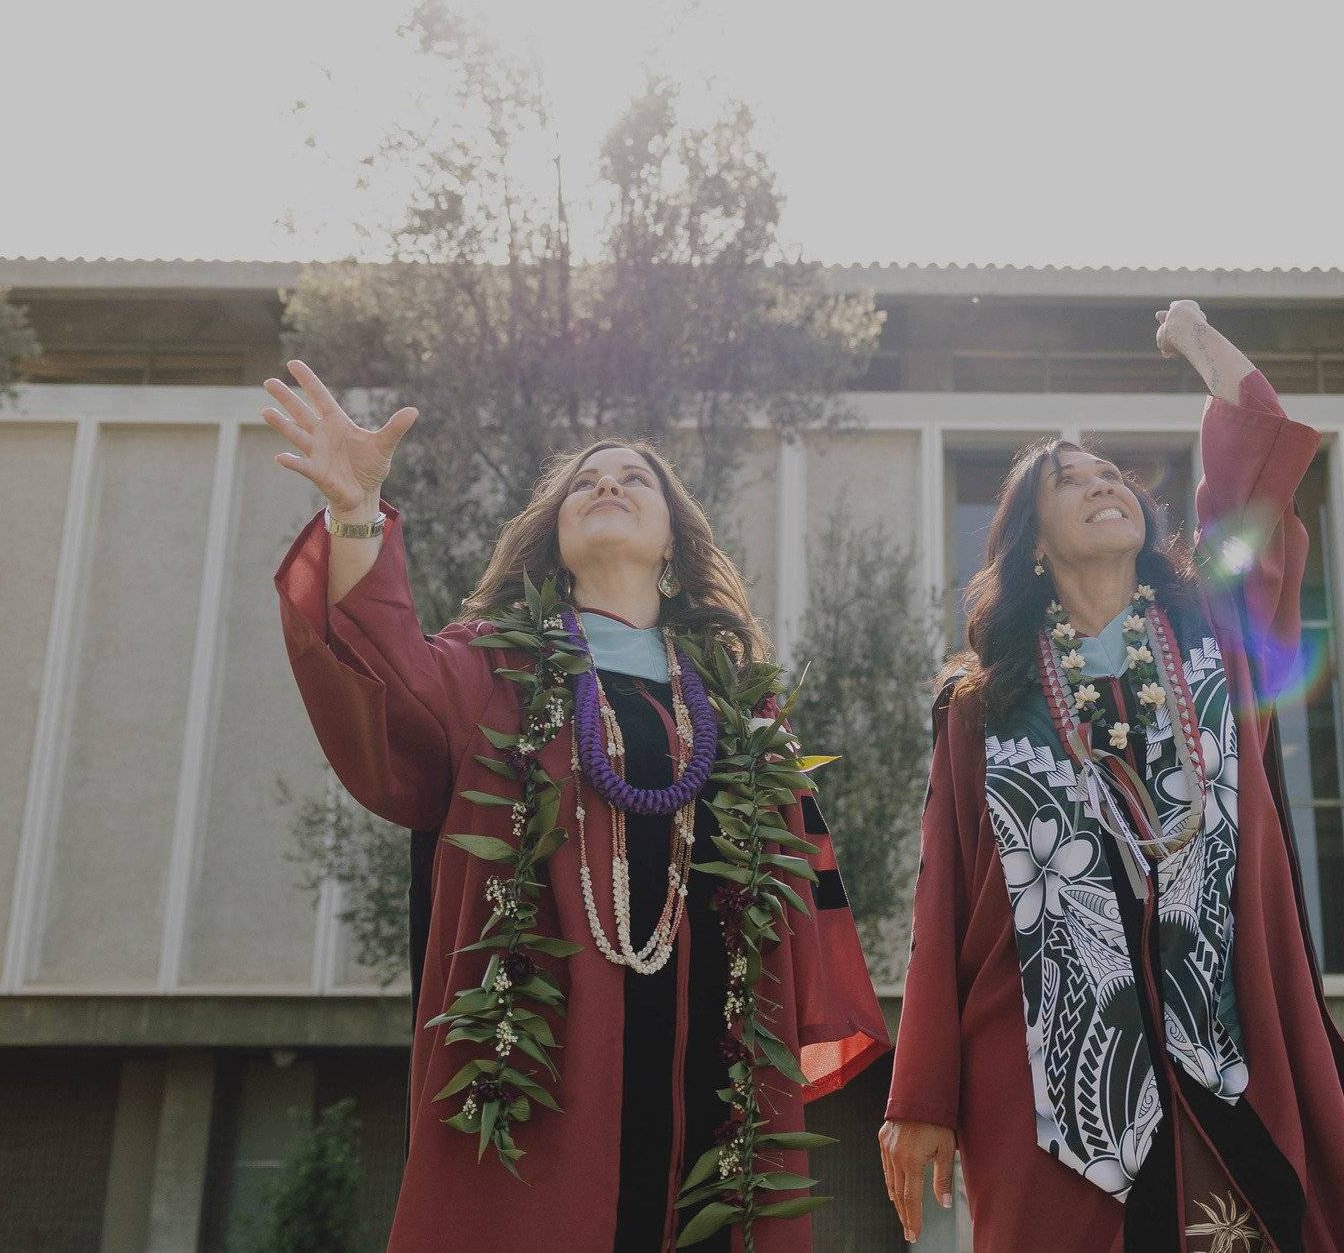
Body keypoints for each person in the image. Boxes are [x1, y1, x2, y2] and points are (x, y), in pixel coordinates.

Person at [266, 360, 887, 1251]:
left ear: (674, 540)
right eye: (584, 483)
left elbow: (795, 909)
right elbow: (387, 682)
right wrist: (357, 510)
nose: (608, 485)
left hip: (713, 1084)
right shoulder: (492, 666)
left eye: (634, 477)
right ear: (552, 542)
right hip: (541, 1057)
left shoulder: (738, 710)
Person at [878, 303, 1344, 1252]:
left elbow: (1259, 466)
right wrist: (921, 1093)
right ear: (1031, 544)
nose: (1100, 484)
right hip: (1046, 1054)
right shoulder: (983, 705)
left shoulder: (1216, 633)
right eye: (1068, 481)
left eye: (1110, 473)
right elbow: (942, 899)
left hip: (1225, 1032)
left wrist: (1199, 343)